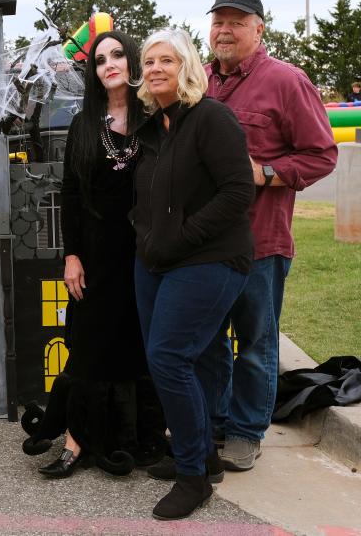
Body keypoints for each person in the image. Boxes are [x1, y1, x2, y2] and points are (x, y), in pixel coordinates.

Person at [198, 0, 337, 471]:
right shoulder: (199, 82)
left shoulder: (286, 81)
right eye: (219, 21)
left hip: (261, 242)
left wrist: (268, 173)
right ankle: (214, 422)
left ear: (260, 29)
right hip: (204, 245)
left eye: (238, 22)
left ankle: (245, 431)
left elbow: (322, 154)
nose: (225, 31)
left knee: (256, 342)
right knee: (209, 340)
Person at [131, 27, 255, 520]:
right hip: (156, 262)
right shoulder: (155, 127)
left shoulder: (211, 118)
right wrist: (146, 238)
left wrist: (180, 238)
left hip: (210, 259)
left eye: (166, 60)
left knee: (168, 357)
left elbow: (237, 191)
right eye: (149, 62)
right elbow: (146, 200)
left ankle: (192, 477)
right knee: (194, 357)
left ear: (187, 67)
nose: (155, 68)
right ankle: (202, 455)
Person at [36, 31, 165, 479]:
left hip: (144, 252)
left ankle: (134, 440)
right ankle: (75, 441)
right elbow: (69, 193)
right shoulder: (83, 123)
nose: (109, 63)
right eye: (100, 59)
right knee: (88, 345)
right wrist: (71, 255)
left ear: (131, 62)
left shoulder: (154, 118)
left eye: (117, 55)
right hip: (93, 252)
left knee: (134, 343)